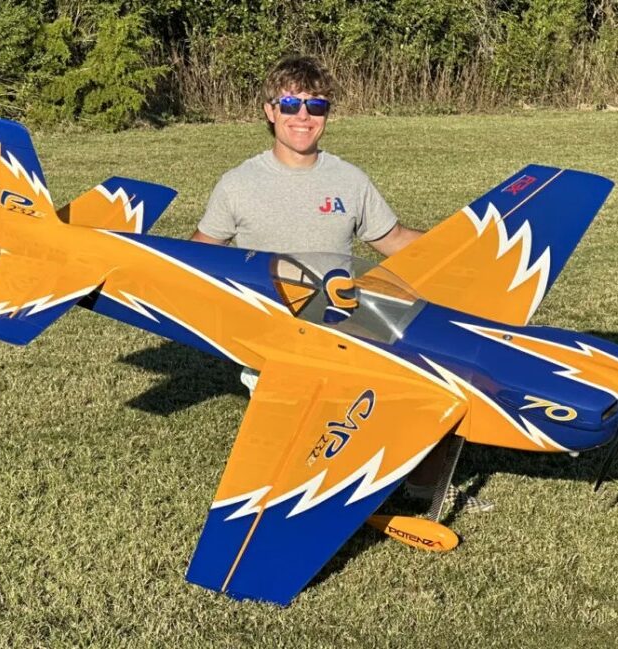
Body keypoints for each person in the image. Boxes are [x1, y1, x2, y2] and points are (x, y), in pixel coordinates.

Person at [190, 55, 492, 513]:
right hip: (279, 337)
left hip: (348, 323)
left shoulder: (348, 179)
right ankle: (304, 501)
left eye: (317, 105)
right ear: (270, 111)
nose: (303, 117)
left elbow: (391, 239)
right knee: (318, 445)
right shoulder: (238, 184)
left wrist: (462, 253)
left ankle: (424, 489)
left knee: (433, 379)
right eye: (290, 104)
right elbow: (201, 253)